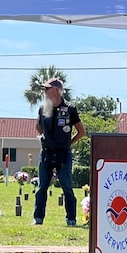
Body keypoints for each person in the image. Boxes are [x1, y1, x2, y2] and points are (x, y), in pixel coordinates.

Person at [33, 78, 86, 226]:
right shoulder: (43, 108)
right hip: (47, 153)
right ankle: (38, 218)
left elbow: (81, 132)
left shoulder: (70, 109)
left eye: (47, 89)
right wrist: (47, 138)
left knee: (67, 187)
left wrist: (68, 143)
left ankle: (71, 219)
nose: (45, 92)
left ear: (56, 90)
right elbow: (37, 126)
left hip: (64, 154)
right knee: (42, 186)